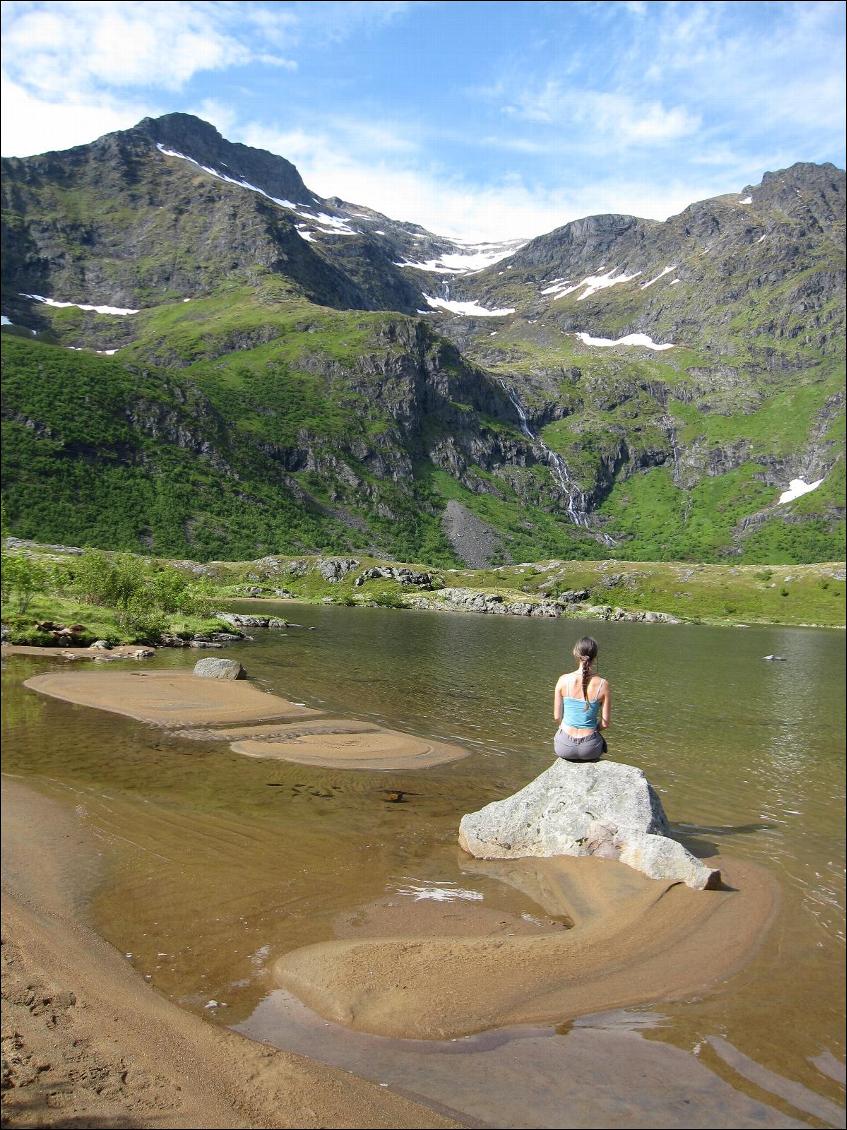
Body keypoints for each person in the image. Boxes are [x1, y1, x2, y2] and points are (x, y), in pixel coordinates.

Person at [552, 636, 610, 762]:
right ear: (595, 657)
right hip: (590, 749)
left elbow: (557, 717)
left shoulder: (563, 680)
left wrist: (566, 729)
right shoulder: (603, 684)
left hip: (564, 746)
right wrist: (593, 729)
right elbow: (605, 723)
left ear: (575, 653)